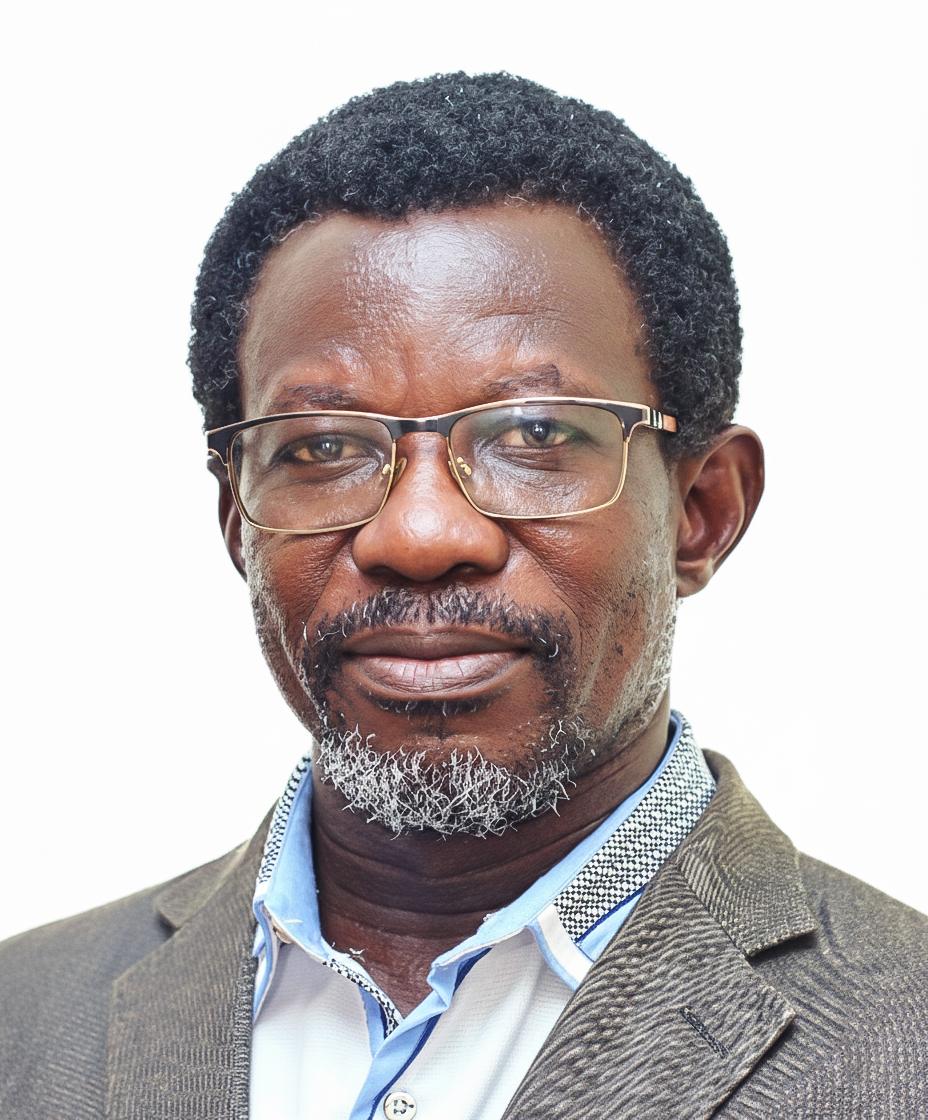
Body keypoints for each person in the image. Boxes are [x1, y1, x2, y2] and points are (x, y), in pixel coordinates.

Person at [1, 71, 925, 1120]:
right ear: (238, 524)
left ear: (703, 510)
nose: (420, 536)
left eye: (535, 433)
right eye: (324, 447)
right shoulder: (25, 1019)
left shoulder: (904, 1045)